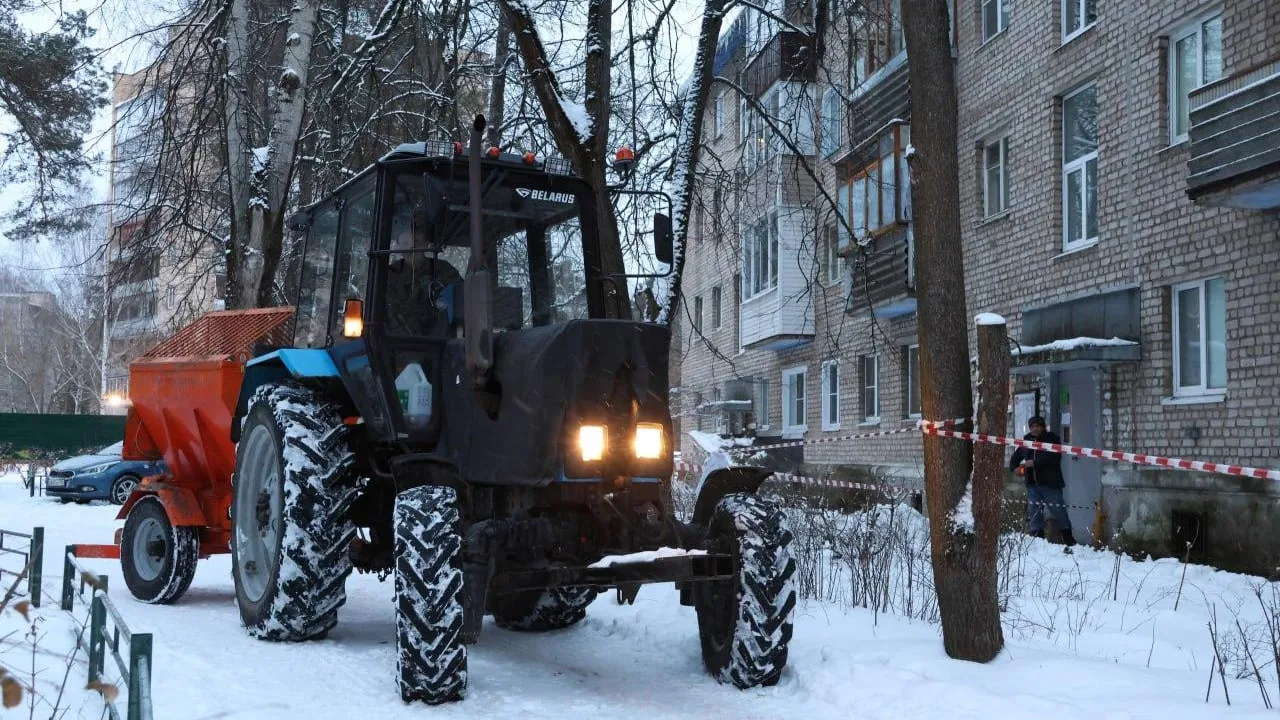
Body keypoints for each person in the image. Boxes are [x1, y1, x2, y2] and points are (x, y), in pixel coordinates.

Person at [1008, 415, 1076, 546]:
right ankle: (1037, 541)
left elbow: (1053, 458)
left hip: (1050, 484)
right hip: (1032, 484)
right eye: (1032, 426)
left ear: (1043, 426)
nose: (1034, 429)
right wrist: (1014, 468)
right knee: (1035, 512)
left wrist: (1034, 463)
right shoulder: (1027, 440)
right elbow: (1015, 457)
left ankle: (1068, 539)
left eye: (1037, 426)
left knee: (1058, 511)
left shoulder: (1052, 439)